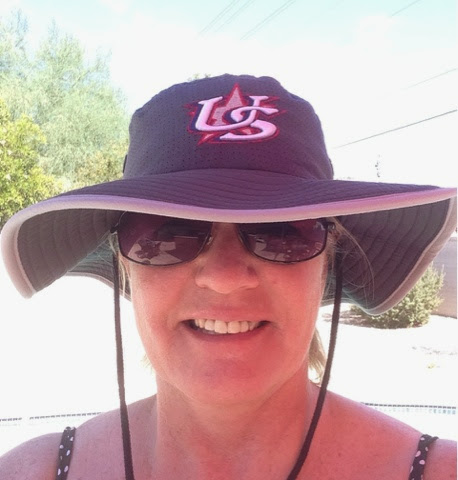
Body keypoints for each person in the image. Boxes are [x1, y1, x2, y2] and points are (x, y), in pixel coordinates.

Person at [0, 74, 456, 480]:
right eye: (168, 232)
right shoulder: (32, 472)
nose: (224, 277)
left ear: (327, 264)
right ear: (125, 264)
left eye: (282, 232)